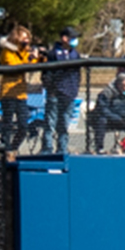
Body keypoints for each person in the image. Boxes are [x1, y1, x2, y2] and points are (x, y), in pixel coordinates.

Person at [42, 26, 81, 155]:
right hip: (55, 93)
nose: (74, 41)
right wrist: (51, 89)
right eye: (72, 38)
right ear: (64, 38)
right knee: (50, 123)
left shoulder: (75, 54)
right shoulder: (53, 54)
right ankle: (47, 149)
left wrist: (75, 90)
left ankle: (62, 149)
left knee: (64, 124)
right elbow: (46, 74)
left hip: (69, 94)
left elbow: (77, 75)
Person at [0, 25, 36, 147]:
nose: (27, 41)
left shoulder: (24, 52)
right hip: (8, 93)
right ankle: (5, 150)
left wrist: (35, 56)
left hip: (21, 94)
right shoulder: (7, 51)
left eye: (28, 38)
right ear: (16, 38)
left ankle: (13, 149)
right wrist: (28, 59)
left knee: (23, 126)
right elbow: (14, 65)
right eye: (24, 38)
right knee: (7, 124)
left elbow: (32, 64)